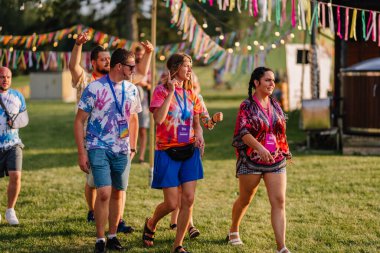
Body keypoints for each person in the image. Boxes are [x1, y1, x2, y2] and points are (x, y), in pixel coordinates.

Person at [69, 31, 153, 233]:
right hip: (95, 139)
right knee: (95, 186)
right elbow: (73, 66)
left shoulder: (126, 85)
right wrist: (78, 45)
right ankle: (93, 211)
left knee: (115, 189)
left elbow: (139, 73)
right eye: (103, 59)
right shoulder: (87, 80)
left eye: (109, 58)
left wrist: (148, 54)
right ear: (94, 62)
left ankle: (116, 223)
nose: (107, 61)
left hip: (119, 143)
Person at [74, 48, 141, 253]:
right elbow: (79, 121)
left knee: (119, 192)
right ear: (119, 66)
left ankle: (113, 235)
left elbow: (134, 118)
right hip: (98, 146)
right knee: (104, 192)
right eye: (131, 66)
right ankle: (100, 239)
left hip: (122, 148)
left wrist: (133, 146)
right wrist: (82, 152)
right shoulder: (94, 88)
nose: (134, 69)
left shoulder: (131, 89)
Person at [142, 53, 204, 253]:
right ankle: (151, 223)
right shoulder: (160, 91)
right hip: (167, 151)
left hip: (189, 151)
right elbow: (159, 119)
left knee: (188, 199)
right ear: (176, 68)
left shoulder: (192, 94)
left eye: (191, 65)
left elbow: (196, 123)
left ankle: (178, 245)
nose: (190, 69)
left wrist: (200, 136)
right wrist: (170, 92)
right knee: (171, 203)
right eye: (187, 65)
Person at [227, 67, 292, 253]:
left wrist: (283, 150)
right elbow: (243, 133)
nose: (272, 84)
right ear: (256, 83)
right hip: (251, 160)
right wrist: (260, 148)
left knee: (279, 201)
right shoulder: (246, 106)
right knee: (246, 199)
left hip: (276, 159)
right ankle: (234, 229)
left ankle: (282, 247)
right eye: (268, 80)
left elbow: (280, 131)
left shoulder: (276, 104)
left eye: (273, 80)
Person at [169, 72, 223, 239]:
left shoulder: (196, 97)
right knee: (177, 188)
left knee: (186, 190)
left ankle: (188, 224)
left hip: (192, 146)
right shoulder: (170, 95)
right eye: (189, 76)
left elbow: (206, 124)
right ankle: (174, 219)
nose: (190, 80)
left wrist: (213, 119)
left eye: (194, 78)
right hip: (172, 146)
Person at [0, 66, 27, 225]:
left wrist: (15, 122)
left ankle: (10, 210)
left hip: (13, 144)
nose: (5, 80)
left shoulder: (17, 96)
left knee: (16, 176)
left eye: (8, 77)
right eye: (2, 77)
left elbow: (25, 119)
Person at [134, 45, 151, 164]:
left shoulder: (149, 69)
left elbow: (152, 85)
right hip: (130, 101)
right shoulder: (130, 66)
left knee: (143, 129)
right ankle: (131, 151)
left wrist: (145, 84)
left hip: (144, 102)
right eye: (138, 54)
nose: (139, 56)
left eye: (141, 54)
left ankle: (141, 156)